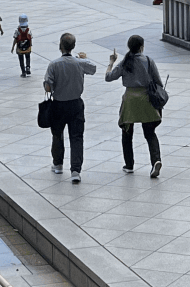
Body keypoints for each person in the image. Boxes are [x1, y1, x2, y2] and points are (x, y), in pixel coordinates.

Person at [105, 35, 163, 178]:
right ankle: (155, 160)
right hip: (146, 99)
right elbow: (158, 82)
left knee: (127, 133)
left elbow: (109, 77)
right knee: (150, 134)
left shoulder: (125, 62)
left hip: (130, 100)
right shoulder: (148, 61)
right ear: (142, 47)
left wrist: (111, 62)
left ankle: (129, 164)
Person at [44, 34, 96, 184]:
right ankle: (75, 170)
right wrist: (84, 58)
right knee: (76, 136)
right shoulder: (79, 63)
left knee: (57, 134)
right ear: (73, 46)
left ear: (60, 46)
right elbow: (93, 69)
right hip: (76, 104)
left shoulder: (54, 64)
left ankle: (58, 164)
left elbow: (48, 86)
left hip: (58, 104)